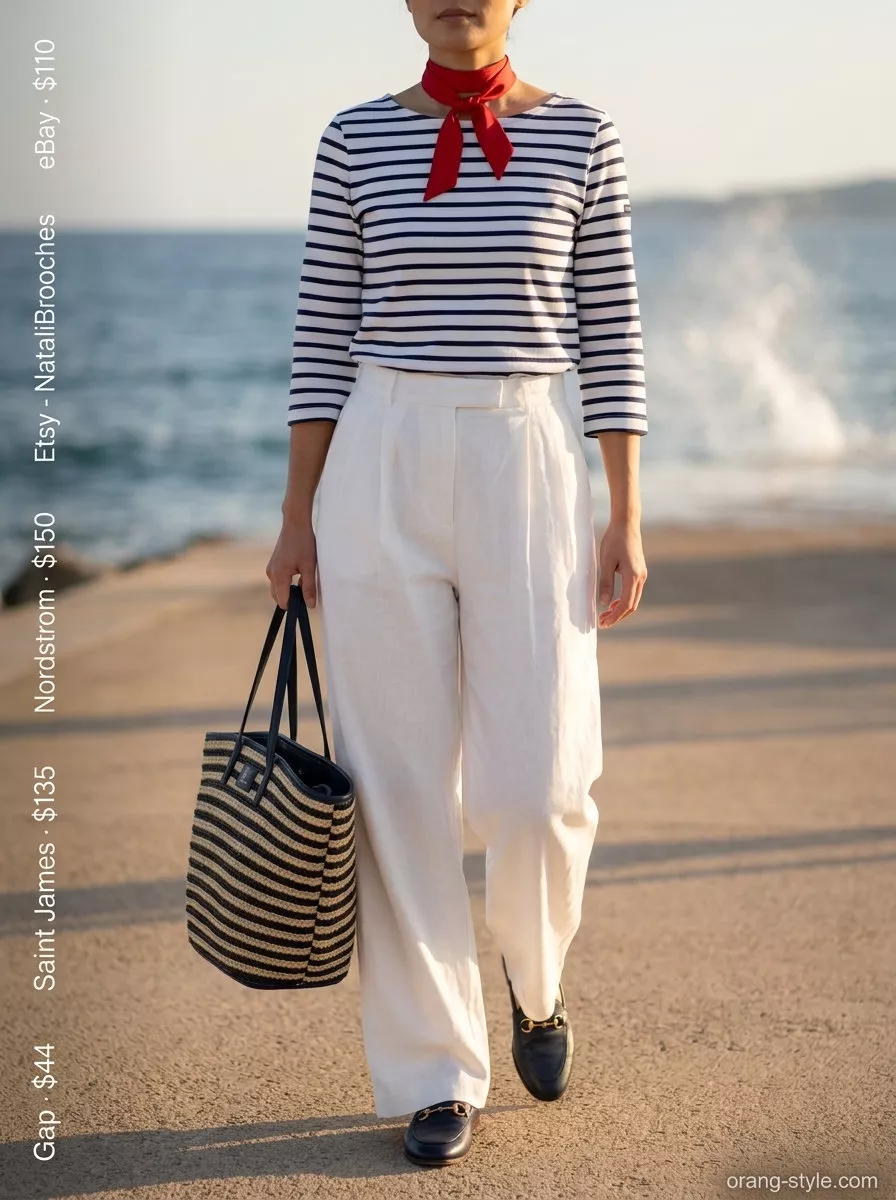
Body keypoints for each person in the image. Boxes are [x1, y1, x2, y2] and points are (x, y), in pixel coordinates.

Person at [266, 0, 648, 1168]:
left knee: (540, 784)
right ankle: (436, 1070)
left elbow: (612, 330)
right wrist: (295, 517)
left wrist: (624, 512)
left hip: (524, 455)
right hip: (380, 452)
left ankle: (534, 981)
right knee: (396, 789)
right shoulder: (352, 138)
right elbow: (322, 328)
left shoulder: (583, 133)